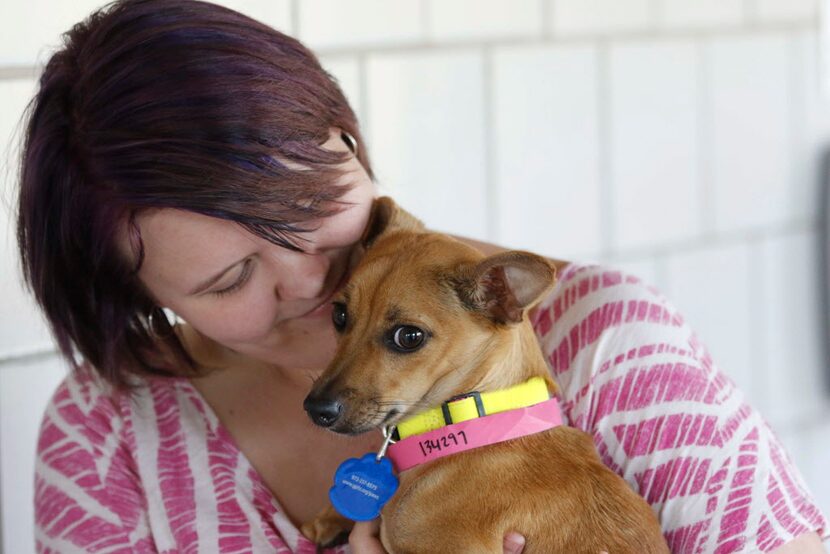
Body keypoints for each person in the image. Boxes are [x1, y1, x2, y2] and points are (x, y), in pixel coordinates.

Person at [15, 0, 826, 552]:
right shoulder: (105, 435)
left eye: (310, 213)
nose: (311, 285)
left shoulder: (608, 341)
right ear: (140, 296)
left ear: (349, 143)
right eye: (229, 280)